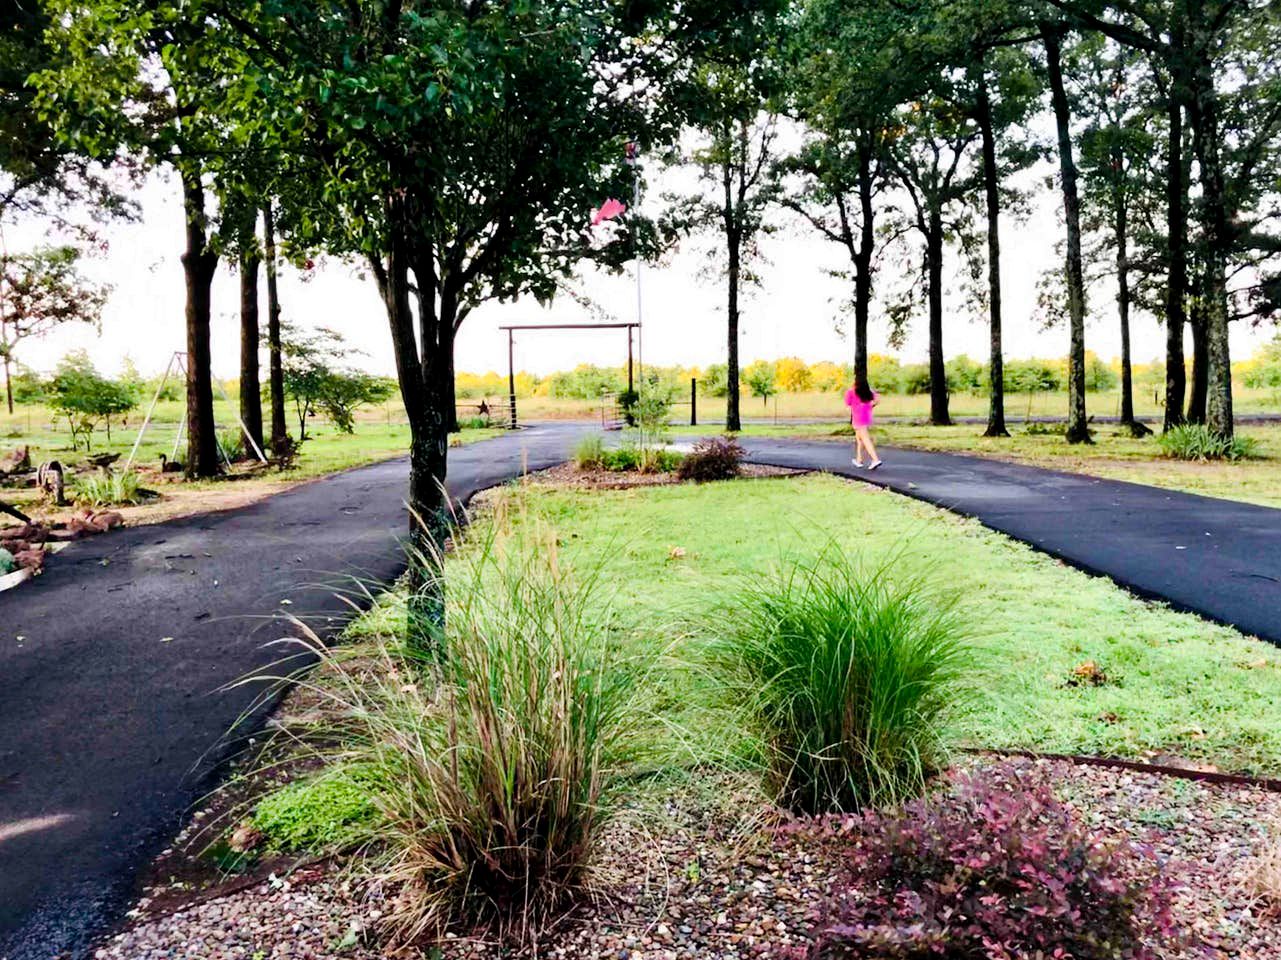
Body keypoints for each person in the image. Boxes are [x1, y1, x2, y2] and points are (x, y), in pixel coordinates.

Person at [844, 378, 882, 470]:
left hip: (857, 417)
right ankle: (859, 460)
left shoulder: (850, 392)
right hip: (866, 416)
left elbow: (848, 407)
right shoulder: (867, 391)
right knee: (859, 438)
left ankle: (875, 459)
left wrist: (855, 408)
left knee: (865, 438)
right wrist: (870, 406)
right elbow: (877, 400)